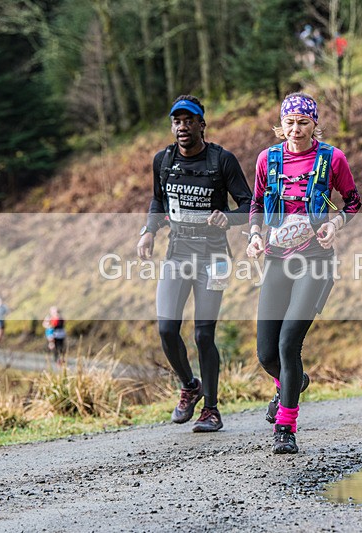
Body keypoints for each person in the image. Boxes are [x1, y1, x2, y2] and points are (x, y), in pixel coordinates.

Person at [247, 92, 361, 453]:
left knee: (288, 343)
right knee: (267, 354)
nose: (296, 130)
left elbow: (354, 201)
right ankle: (291, 383)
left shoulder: (333, 158)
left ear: (315, 125)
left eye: (303, 123)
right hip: (277, 259)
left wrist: (336, 225)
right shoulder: (268, 159)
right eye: (290, 123)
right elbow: (256, 202)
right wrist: (253, 236)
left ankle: (286, 427)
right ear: (281, 126)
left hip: (315, 260)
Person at [137, 95, 252, 432]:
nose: (182, 127)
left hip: (214, 258)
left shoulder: (222, 161)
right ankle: (190, 385)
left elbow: (248, 205)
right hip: (177, 254)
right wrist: (148, 231)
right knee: (166, 328)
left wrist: (227, 219)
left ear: (202, 124)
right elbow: (159, 200)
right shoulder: (163, 160)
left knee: (203, 335)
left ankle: (212, 411)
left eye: (189, 120)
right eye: (177, 121)